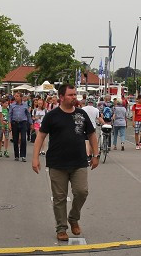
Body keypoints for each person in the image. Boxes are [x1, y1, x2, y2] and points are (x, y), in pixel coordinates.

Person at [32, 83, 98, 241]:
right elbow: (40, 136)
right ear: (61, 97)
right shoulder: (52, 116)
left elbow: (92, 134)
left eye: (75, 94)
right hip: (57, 163)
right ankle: (61, 228)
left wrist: (96, 154)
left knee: (82, 192)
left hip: (79, 162)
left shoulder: (81, 114)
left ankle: (73, 218)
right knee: (59, 198)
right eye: (70, 95)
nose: (74, 97)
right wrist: (35, 158)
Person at [9, 91, 32, 161]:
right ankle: (16, 155)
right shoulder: (12, 105)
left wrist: (31, 123)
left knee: (23, 139)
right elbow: (9, 115)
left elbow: (28, 114)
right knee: (15, 140)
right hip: (15, 123)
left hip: (23, 122)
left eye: (17, 96)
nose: (15, 97)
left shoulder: (25, 105)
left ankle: (23, 155)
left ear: (21, 97)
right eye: (15, 96)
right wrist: (9, 123)